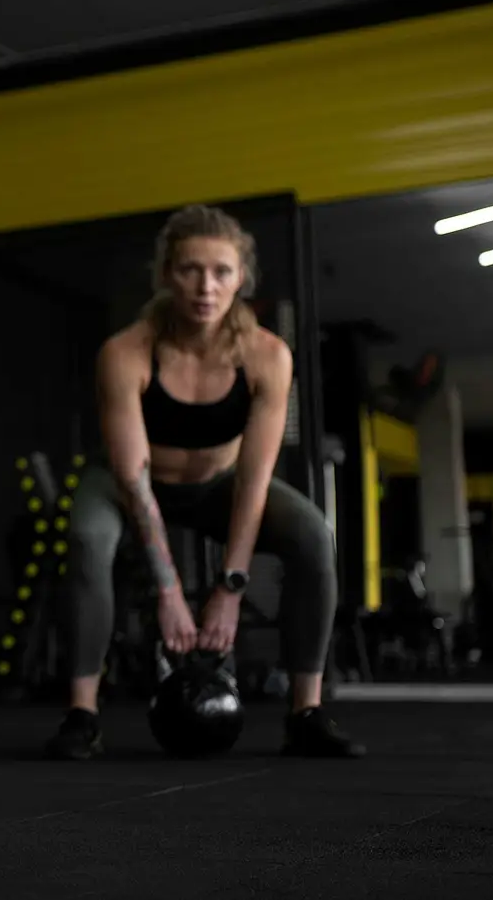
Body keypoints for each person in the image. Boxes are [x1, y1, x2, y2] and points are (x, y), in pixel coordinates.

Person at [43, 204, 365, 761]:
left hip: (221, 484)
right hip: (130, 485)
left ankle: (306, 712)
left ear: (243, 278)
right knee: (87, 540)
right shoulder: (126, 353)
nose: (205, 286)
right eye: (190, 269)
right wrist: (167, 591)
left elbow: (255, 475)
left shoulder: (268, 355)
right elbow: (133, 475)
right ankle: (82, 713)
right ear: (166, 273)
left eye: (221, 272)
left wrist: (231, 587)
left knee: (314, 536)